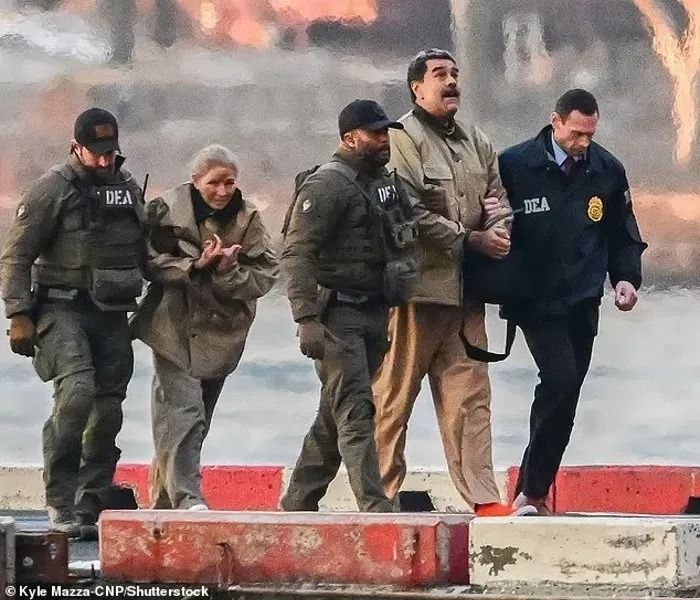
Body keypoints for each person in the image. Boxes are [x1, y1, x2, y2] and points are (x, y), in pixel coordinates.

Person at [371, 49, 526, 516]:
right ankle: (379, 498)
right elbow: (408, 210)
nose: (451, 81)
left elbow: (499, 198)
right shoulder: (402, 139)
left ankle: (483, 498)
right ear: (417, 88)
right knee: (393, 400)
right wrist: (471, 238)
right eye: (440, 74)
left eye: (455, 73)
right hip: (416, 294)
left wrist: (499, 227)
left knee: (471, 401)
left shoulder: (476, 140)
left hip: (466, 296)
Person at [498, 89, 647, 515]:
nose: (583, 143)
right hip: (535, 298)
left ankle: (533, 490)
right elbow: (489, 221)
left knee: (567, 396)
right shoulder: (515, 164)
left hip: (583, 298)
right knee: (559, 380)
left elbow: (622, 233)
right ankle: (532, 491)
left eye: (590, 135)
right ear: (556, 122)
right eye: (576, 134)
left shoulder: (607, 170)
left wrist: (625, 278)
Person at [1, 108, 145, 535]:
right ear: (76, 148)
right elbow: (16, 255)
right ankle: (60, 500)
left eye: (110, 152)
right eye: (95, 152)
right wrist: (17, 313)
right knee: (77, 392)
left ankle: (89, 503)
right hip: (60, 307)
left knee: (108, 409)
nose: (104, 160)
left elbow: (145, 248)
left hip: (111, 310)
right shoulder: (52, 190)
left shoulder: (126, 189)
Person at [280, 99, 423, 512]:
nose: (384, 140)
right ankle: (375, 505)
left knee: (335, 412)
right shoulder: (328, 185)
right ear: (348, 138)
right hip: (337, 315)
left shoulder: (384, 183)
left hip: (375, 311)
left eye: (386, 132)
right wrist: (306, 318)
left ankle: (298, 501)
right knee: (357, 408)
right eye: (374, 133)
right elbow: (297, 254)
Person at [132, 144, 278, 511]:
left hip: (221, 332)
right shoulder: (166, 210)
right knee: (184, 413)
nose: (222, 191)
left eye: (230, 182)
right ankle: (187, 498)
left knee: (197, 418)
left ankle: (163, 502)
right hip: (174, 327)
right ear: (196, 180)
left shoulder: (248, 219)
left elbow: (265, 275)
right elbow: (148, 261)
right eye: (213, 183)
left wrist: (228, 270)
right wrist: (195, 266)